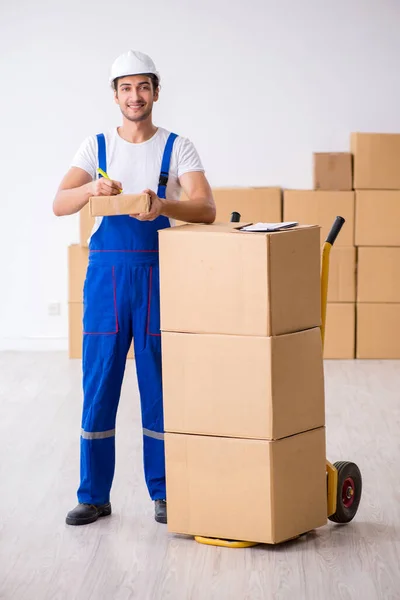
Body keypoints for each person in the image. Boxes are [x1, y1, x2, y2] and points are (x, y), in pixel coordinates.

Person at [53, 50, 216, 526]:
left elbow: (206, 207)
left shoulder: (177, 147)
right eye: (126, 88)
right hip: (106, 277)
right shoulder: (97, 146)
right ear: (115, 95)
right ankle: (93, 495)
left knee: (158, 384)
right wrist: (91, 191)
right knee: (99, 383)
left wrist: (163, 205)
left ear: (156, 92)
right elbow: (60, 202)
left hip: (157, 274)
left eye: (143, 86)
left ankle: (164, 493)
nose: (135, 96)